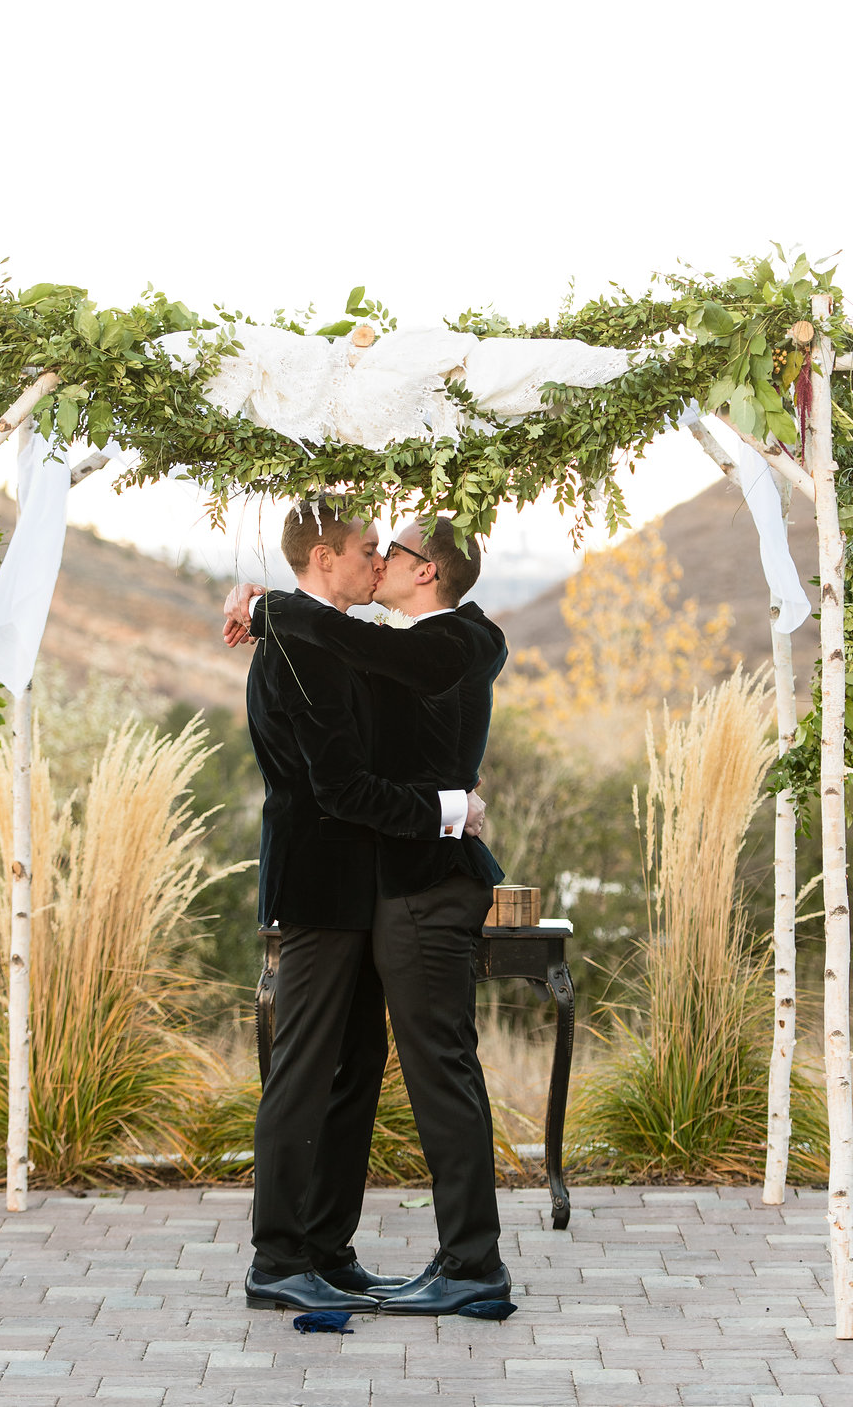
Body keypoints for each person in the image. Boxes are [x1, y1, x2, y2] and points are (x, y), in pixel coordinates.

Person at [226, 508, 512, 1315]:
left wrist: (271, 605)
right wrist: (449, 808)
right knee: (310, 1071)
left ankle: (332, 1248)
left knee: (359, 1070)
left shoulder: (451, 639)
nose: (379, 559)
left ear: (426, 570)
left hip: (386, 888)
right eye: (366, 549)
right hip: (325, 887)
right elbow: (340, 787)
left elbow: (385, 670)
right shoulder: (311, 646)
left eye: (391, 549)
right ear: (326, 557)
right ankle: (284, 1255)